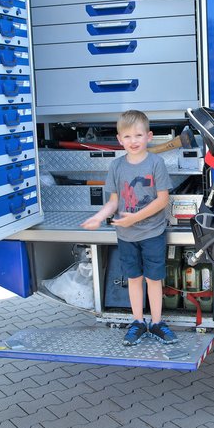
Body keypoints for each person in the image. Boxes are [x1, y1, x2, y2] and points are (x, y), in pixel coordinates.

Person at [81, 110, 178, 346]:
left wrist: (134, 218)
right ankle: (138, 322)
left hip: (152, 233)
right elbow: (113, 201)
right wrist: (99, 217)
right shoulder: (116, 166)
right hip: (126, 235)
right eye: (127, 136)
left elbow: (163, 200)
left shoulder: (156, 163)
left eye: (138, 135)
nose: (133, 141)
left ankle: (157, 323)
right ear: (119, 139)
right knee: (134, 278)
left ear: (149, 136)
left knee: (154, 279)